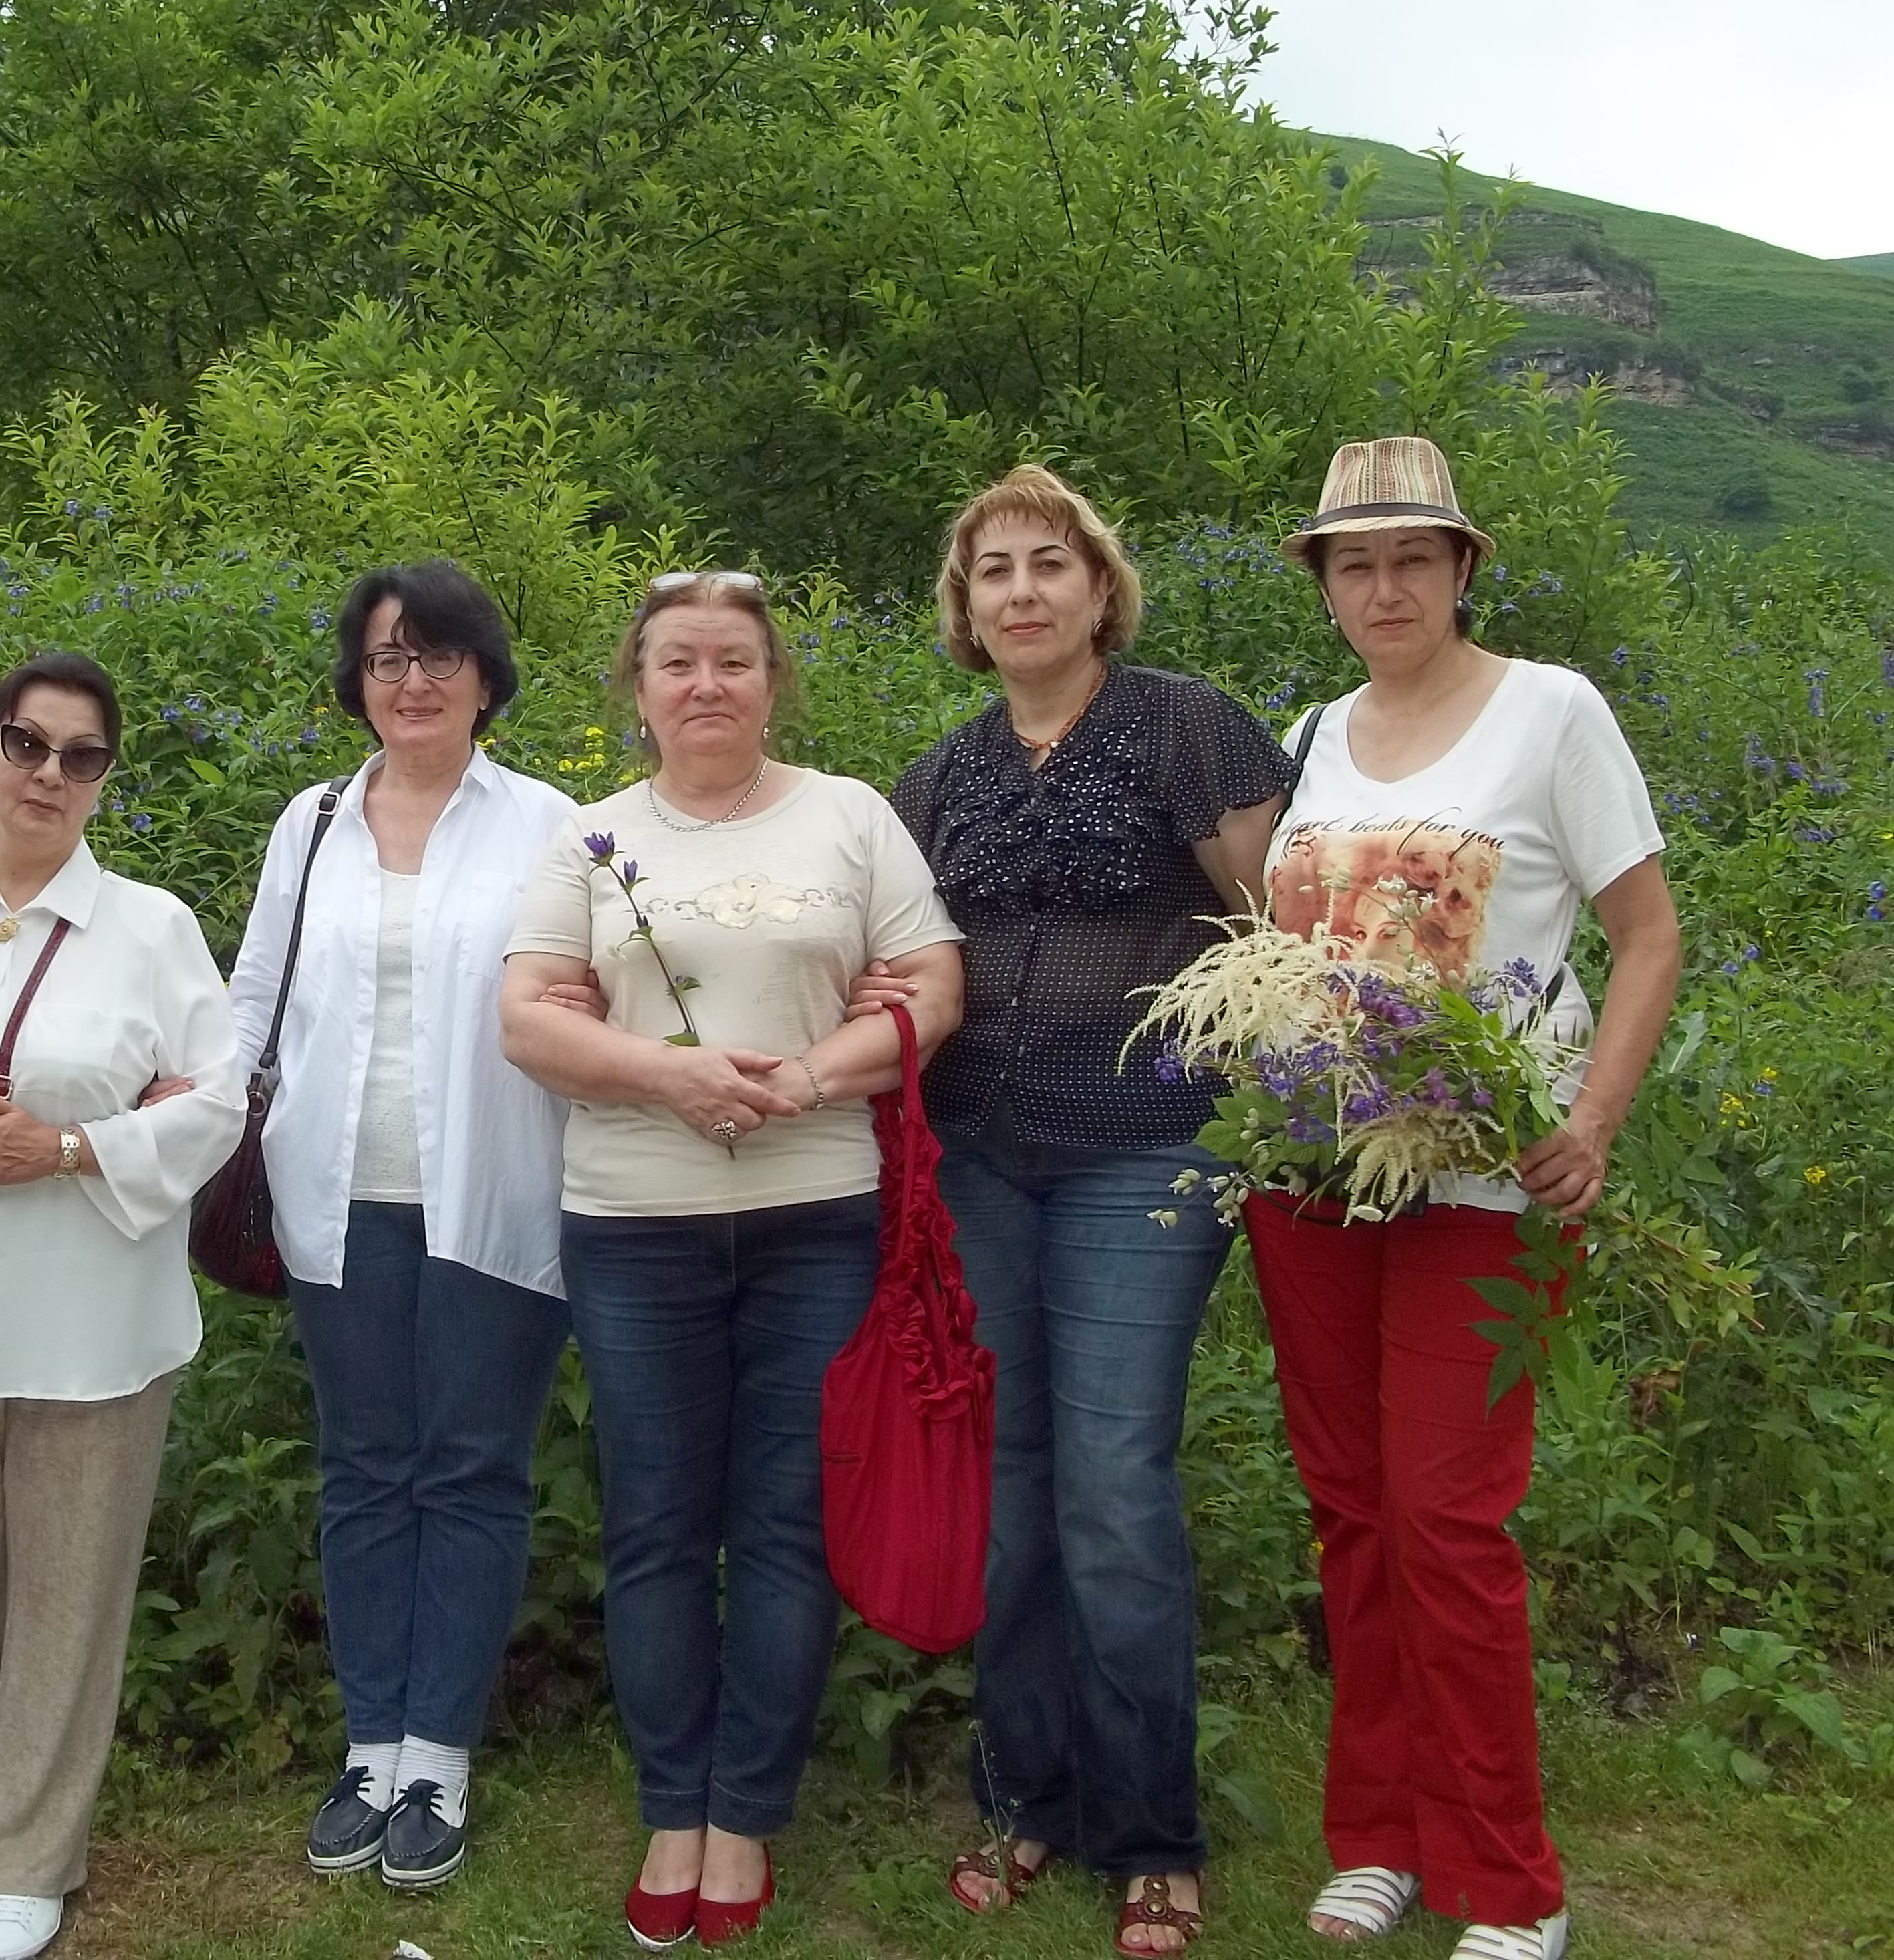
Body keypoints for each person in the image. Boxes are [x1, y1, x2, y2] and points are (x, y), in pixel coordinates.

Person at [1256, 436, 1680, 1960]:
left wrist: (1590, 1118)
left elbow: (1644, 934)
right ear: (1320, 584)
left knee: (1447, 1517)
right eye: (1353, 563)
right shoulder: (1307, 737)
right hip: (1307, 1181)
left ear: (1458, 570)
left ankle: (1506, 1880)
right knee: (1353, 1514)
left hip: (1482, 1185)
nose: (1383, 586)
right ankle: (1375, 1836)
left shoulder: (1548, 711)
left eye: (1410, 559)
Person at [863, 465, 1296, 1958]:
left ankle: (1150, 1830)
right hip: (979, 1154)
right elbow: (899, 962)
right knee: (1008, 1481)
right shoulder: (935, 778)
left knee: (1111, 1482)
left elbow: (1286, 927)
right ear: (965, 613)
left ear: (1099, 590)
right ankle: (1021, 1799)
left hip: (1145, 1151)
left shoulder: (1187, 726)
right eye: (992, 573)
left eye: (1049, 564)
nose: (1022, 591)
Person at [499, 571, 966, 1950]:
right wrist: (668, 1077)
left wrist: (813, 1076)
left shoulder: (849, 817)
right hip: (633, 1227)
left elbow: (933, 984)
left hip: (817, 1215)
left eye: (734, 662)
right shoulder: (587, 840)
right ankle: (671, 1806)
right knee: (652, 1529)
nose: (707, 684)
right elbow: (527, 1020)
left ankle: (744, 1813)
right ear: (636, 692)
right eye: (677, 663)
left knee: (780, 1527)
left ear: (773, 684)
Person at [0, 651, 247, 1959]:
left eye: (81, 757)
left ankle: (30, 1854)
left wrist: (74, 1149)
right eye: (27, 745)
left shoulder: (148, 929)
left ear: (103, 781)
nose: (48, 775)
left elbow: (220, 1096)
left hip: (94, 1316)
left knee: (67, 1595)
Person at [231, 561, 577, 1893]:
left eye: (437, 656)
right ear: (356, 682)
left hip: (491, 1189)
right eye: (385, 659)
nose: (412, 681)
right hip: (335, 1192)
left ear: (485, 675)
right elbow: (247, 1005)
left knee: (472, 1468)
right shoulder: (307, 823)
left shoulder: (551, 824)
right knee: (367, 1465)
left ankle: (439, 1752)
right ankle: (368, 1743)